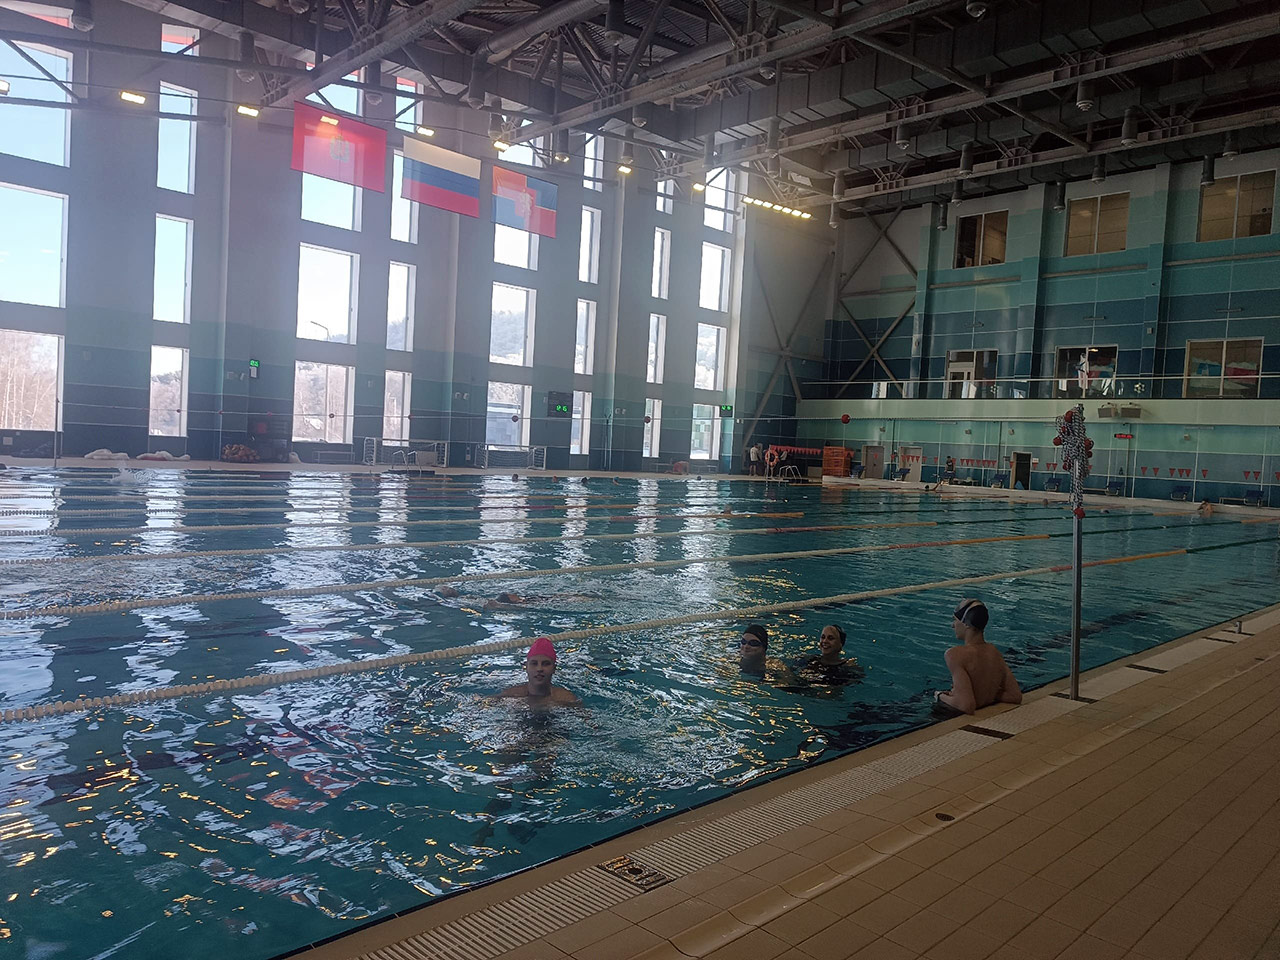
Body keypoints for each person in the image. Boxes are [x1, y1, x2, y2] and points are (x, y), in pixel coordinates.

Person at [934, 599, 1022, 716]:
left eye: (955, 620)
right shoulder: (994, 652)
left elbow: (966, 706)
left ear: (966, 623)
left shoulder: (954, 655)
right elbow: (1015, 695)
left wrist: (940, 696)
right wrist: (986, 692)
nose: (952, 625)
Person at [497, 637, 582, 705]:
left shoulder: (566, 699)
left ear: (554, 668)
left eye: (546, 664)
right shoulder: (511, 695)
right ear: (526, 667)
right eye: (534, 663)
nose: (539, 669)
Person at [796, 624, 864, 685]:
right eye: (823, 637)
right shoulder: (807, 660)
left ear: (840, 645)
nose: (825, 641)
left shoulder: (848, 669)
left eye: (830, 638)